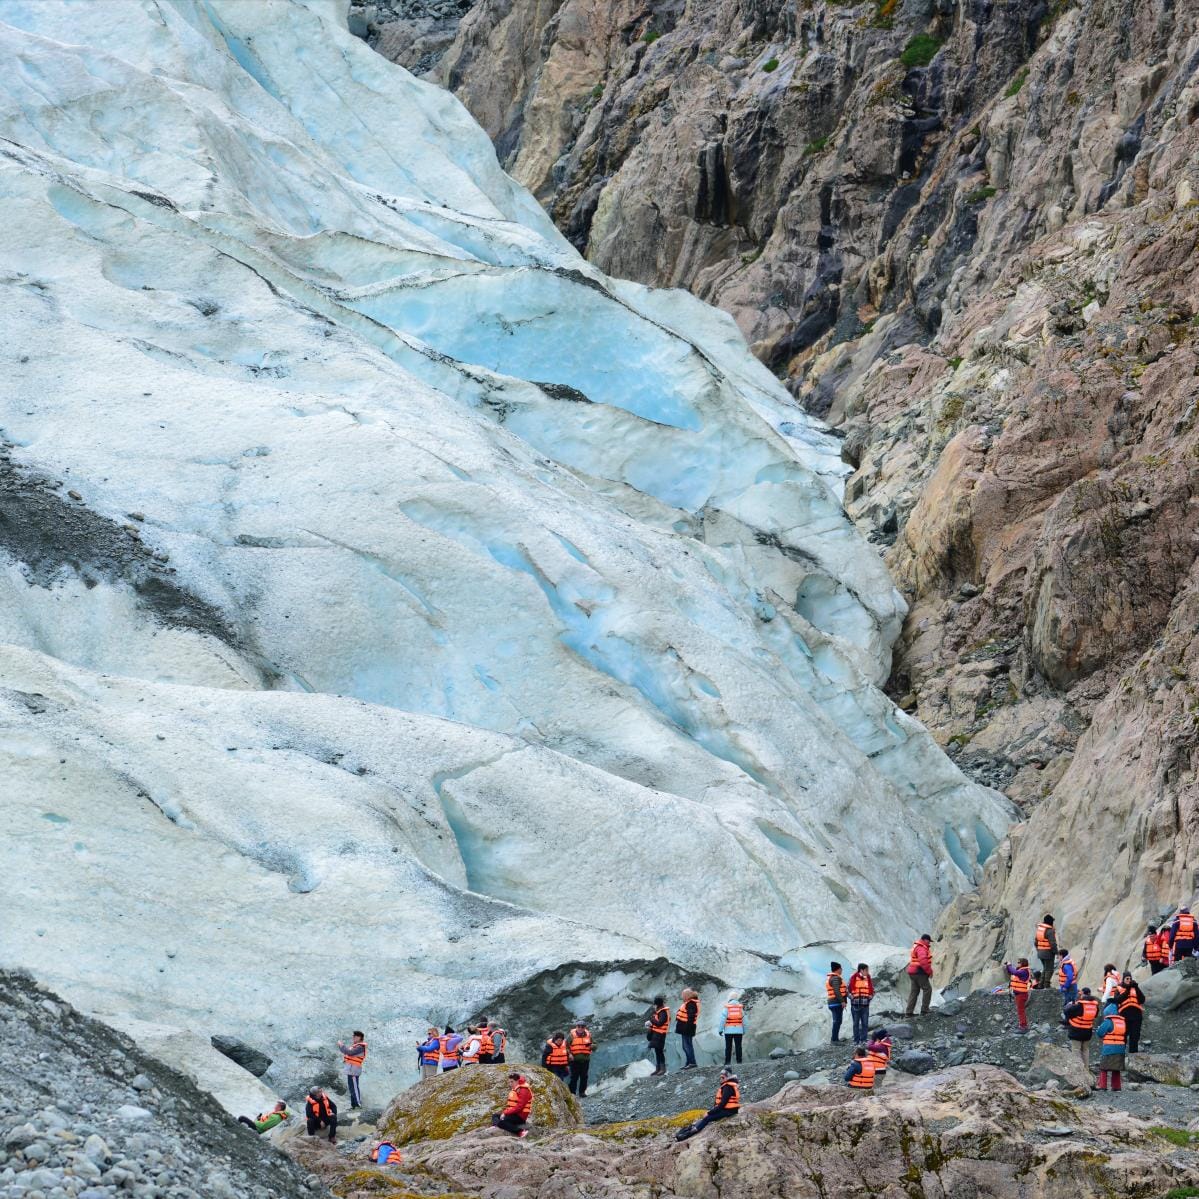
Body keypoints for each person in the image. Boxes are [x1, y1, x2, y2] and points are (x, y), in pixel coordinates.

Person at [674, 1070, 740, 1140]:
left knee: (707, 1118)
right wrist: (712, 1111)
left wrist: (709, 1112)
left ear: (728, 1077)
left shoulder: (728, 1087)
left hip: (729, 1111)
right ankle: (691, 1128)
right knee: (706, 1117)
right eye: (720, 1077)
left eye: (723, 1077)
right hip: (728, 1109)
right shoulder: (728, 1085)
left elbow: (722, 1105)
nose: (721, 1079)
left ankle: (688, 1134)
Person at [1063, 987, 1100, 1079]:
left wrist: (1070, 1004)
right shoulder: (1095, 1006)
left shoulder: (1079, 1005)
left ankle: (1077, 1071)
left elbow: (1067, 1011)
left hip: (1076, 1030)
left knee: (1076, 1050)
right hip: (1087, 1031)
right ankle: (1086, 1070)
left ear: (1083, 994)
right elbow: (1095, 1015)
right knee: (1085, 1050)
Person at [1093, 1002, 1126, 1091]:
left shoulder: (1108, 1021)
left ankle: (1102, 1086)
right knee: (1116, 1068)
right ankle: (1116, 1087)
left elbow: (1100, 1033)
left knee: (1103, 1068)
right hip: (1120, 1048)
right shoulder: (1122, 1021)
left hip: (1109, 1049)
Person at [491, 1072, 533, 1137]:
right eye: (509, 1082)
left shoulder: (524, 1090)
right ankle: (496, 1125)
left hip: (520, 1117)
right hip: (514, 1114)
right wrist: (506, 1113)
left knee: (502, 1122)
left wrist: (505, 1113)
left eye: (512, 1082)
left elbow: (519, 1107)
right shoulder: (516, 1088)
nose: (510, 1084)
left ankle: (520, 1132)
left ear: (517, 1081)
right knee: (495, 1115)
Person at [905, 935, 934, 1017]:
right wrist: (929, 972)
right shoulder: (921, 948)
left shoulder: (917, 947)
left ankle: (909, 1012)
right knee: (927, 989)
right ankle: (925, 1010)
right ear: (925, 940)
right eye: (928, 941)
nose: (929, 943)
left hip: (913, 973)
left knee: (914, 992)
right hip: (919, 972)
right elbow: (923, 961)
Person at [1116, 972, 1146, 1053]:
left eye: (1130, 978)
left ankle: (1133, 1056)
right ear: (1123, 979)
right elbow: (1118, 1000)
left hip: (1136, 1016)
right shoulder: (1119, 988)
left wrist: (1136, 987)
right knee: (1123, 1036)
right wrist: (1128, 990)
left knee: (1135, 1037)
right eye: (1127, 979)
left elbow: (1142, 1000)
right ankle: (1121, 1055)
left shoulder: (1135, 988)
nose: (1129, 980)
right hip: (1124, 1016)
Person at [337, 1030, 367, 1109]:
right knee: (351, 1088)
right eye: (353, 1036)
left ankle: (358, 1105)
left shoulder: (360, 1047)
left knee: (355, 1088)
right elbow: (347, 1053)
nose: (353, 1037)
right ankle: (353, 1106)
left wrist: (341, 1045)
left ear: (360, 1038)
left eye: (355, 1036)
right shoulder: (356, 1046)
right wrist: (341, 1047)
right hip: (351, 1070)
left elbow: (349, 1052)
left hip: (354, 1070)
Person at [847, 964, 874, 1044]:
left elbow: (873, 990)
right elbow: (847, 990)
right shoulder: (853, 978)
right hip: (855, 1006)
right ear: (861, 970)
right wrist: (852, 997)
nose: (867, 972)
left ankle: (864, 1039)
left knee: (865, 1023)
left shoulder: (868, 979)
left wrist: (870, 996)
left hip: (865, 1006)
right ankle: (856, 1040)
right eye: (866, 970)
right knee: (856, 1024)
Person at [1004, 958, 1032, 1032]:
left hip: (1021, 994)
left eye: (1019, 962)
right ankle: (1023, 1025)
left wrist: (1009, 965)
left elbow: (1014, 972)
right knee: (1021, 1010)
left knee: (1021, 1011)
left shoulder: (1024, 971)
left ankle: (1023, 1027)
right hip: (1020, 994)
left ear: (1023, 963)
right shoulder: (1022, 970)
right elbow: (1012, 972)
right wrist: (1008, 966)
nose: (1018, 963)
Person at [675, 989, 700, 1070]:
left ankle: (692, 1063)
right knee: (686, 1046)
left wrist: (687, 1027)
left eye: (683, 995)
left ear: (687, 996)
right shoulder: (691, 1003)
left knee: (687, 1046)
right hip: (686, 1027)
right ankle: (689, 1062)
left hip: (687, 1028)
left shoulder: (691, 1004)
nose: (682, 997)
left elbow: (691, 1016)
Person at [567, 1021, 593, 1097]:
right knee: (574, 1077)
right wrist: (570, 1054)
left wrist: (593, 1046)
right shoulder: (571, 1036)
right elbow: (566, 1046)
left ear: (585, 1028)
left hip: (585, 1060)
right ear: (576, 1027)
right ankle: (572, 1093)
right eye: (579, 1026)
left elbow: (594, 1044)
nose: (580, 1028)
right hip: (574, 1060)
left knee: (584, 1077)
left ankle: (582, 1092)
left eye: (582, 1026)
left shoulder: (588, 1035)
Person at [647, 995, 670, 1076]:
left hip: (660, 1034)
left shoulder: (663, 1012)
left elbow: (660, 1023)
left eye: (655, 1004)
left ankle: (662, 1069)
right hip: (656, 1034)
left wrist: (652, 1020)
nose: (654, 1006)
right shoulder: (659, 1012)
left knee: (660, 1051)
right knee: (657, 1051)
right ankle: (658, 1069)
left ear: (657, 1004)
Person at [720, 994, 745, 1065]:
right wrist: (744, 1030)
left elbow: (722, 1020)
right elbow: (745, 1021)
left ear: (729, 999)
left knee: (728, 1047)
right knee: (738, 1046)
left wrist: (720, 1030)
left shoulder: (727, 1008)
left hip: (728, 1031)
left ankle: (727, 1062)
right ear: (737, 999)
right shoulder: (740, 1008)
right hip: (738, 1031)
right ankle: (739, 1062)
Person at [1034, 916, 1058, 989]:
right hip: (1048, 953)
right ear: (1050, 922)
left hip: (1040, 953)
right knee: (1049, 969)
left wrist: (1039, 950)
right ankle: (1046, 985)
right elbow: (1052, 943)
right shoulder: (1050, 931)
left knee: (1045, 968)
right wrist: (1056, 952)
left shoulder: (1040, 929)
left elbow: (1035, 943)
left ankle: (1041, 984)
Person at [826, 963, 847, 1043]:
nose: (842, 970)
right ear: (838, 969)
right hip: (836, 1002)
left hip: (833, 1002)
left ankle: (835, 1039)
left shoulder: (832, 978)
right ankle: (834, 1040)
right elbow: (836, 990)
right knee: (837, 1021)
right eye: (841, 968)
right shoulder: (835, 978)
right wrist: (842, 1001)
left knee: (837, 1021)